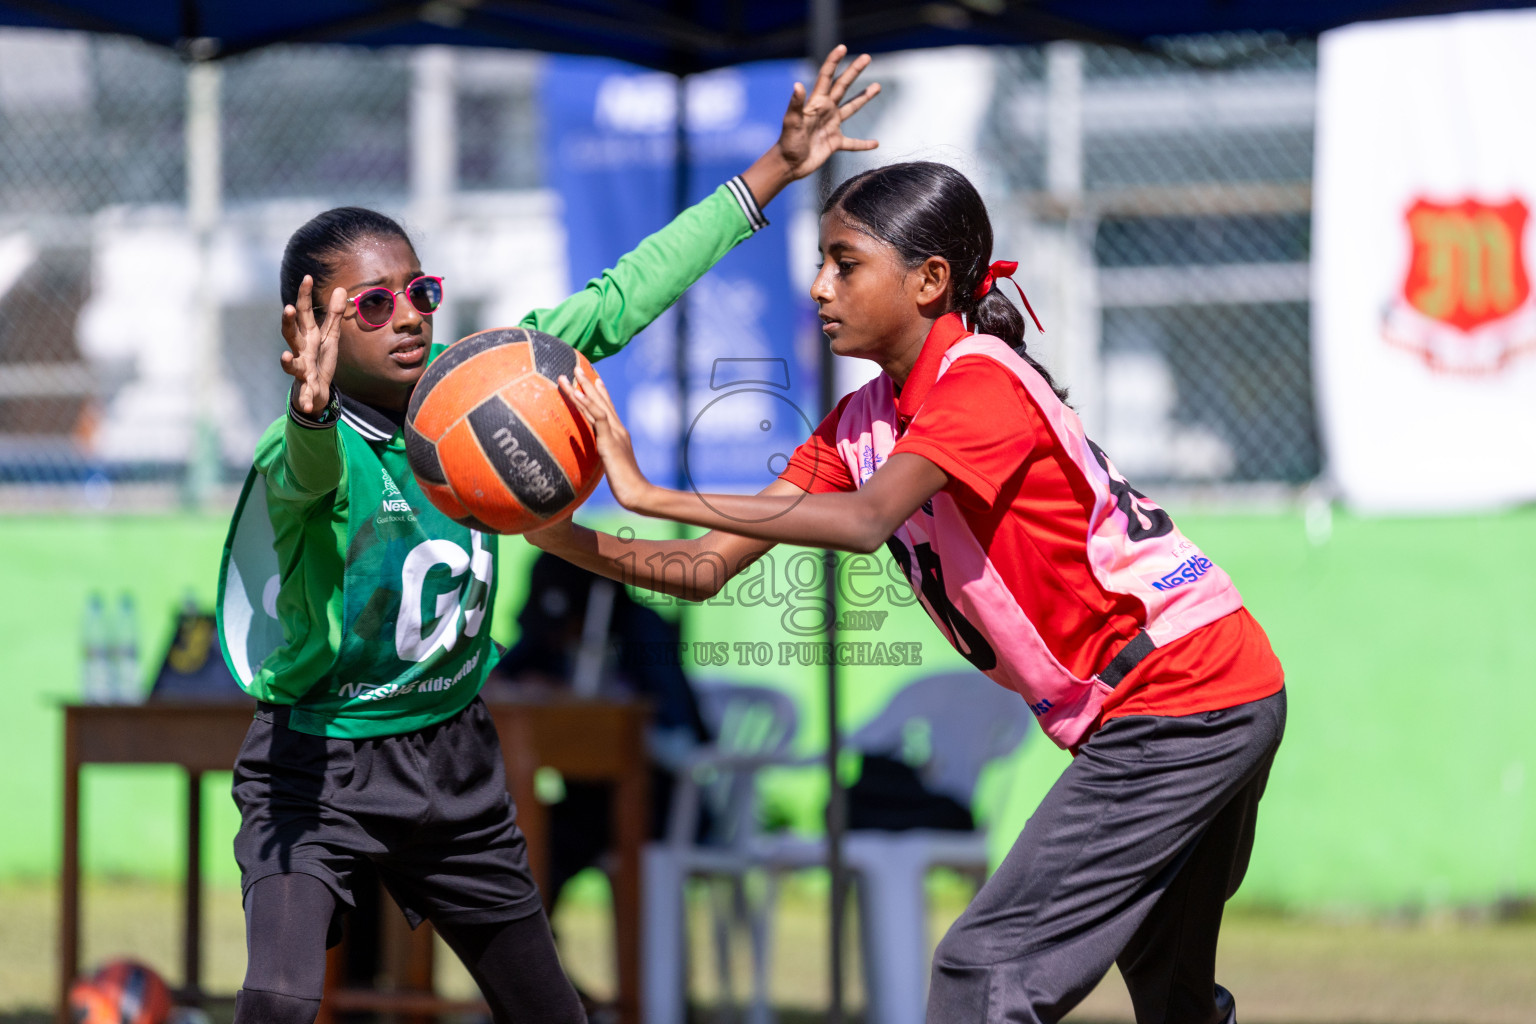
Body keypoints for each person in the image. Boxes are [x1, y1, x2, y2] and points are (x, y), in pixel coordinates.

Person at [531, 160, 1286, 1024]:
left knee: (985, 974)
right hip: (1200, 694)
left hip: (1183, 696)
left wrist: (648, 491)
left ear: (929, 280)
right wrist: (553, 532)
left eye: (845, 263)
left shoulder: (980, 382)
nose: (819, 286)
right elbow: (703, 567)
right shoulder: (862, 422)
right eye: (819, 260)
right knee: (1171, 993)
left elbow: (863, 520)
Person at [216, 46, 880, 1024]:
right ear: (310, 323)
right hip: (320, 762)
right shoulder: (298, 444)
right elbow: (308, 482)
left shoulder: (488, 387)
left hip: (452, 758)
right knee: (279, 998)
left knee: (551, 1011)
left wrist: (776, 168)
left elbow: (620, 299)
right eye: (371, 303)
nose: (407, 316)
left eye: (418, 290)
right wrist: (311, 415)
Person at [487, 551, 711, 910]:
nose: (565, 635)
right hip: (587, 803)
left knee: (543, 840)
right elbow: (505, 673)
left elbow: (679, 739)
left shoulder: (641, 629)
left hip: (662, 803)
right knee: (521, 839)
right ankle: (539, 953)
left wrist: (600, 709)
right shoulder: (551, 635)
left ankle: (541, 954)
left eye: (571, 622)